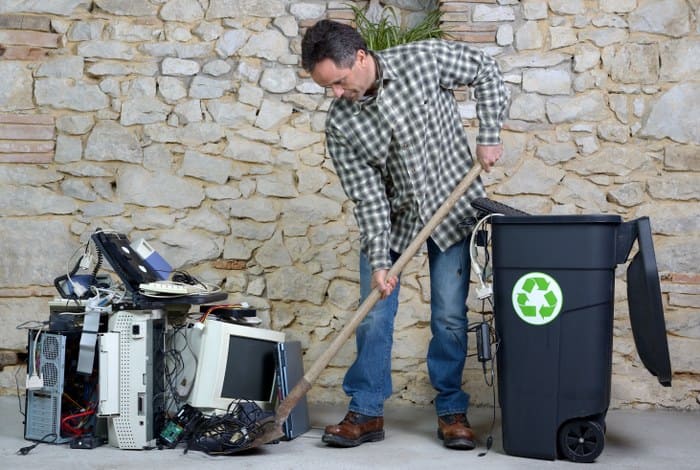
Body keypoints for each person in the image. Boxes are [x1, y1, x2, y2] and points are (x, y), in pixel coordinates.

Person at [301, 19, 509, 450]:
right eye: (329, 88)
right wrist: (380, 261)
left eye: (339, 82)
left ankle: (451, 410)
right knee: (375, 313)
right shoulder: (340, 123)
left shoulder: (423, 60)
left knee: (449, 317)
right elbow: (368, 197)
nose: (337, 94)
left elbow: (486, 72)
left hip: (452, 208)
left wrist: (489, 137)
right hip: (394, 222)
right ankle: (366, 411)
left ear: (360, 58)